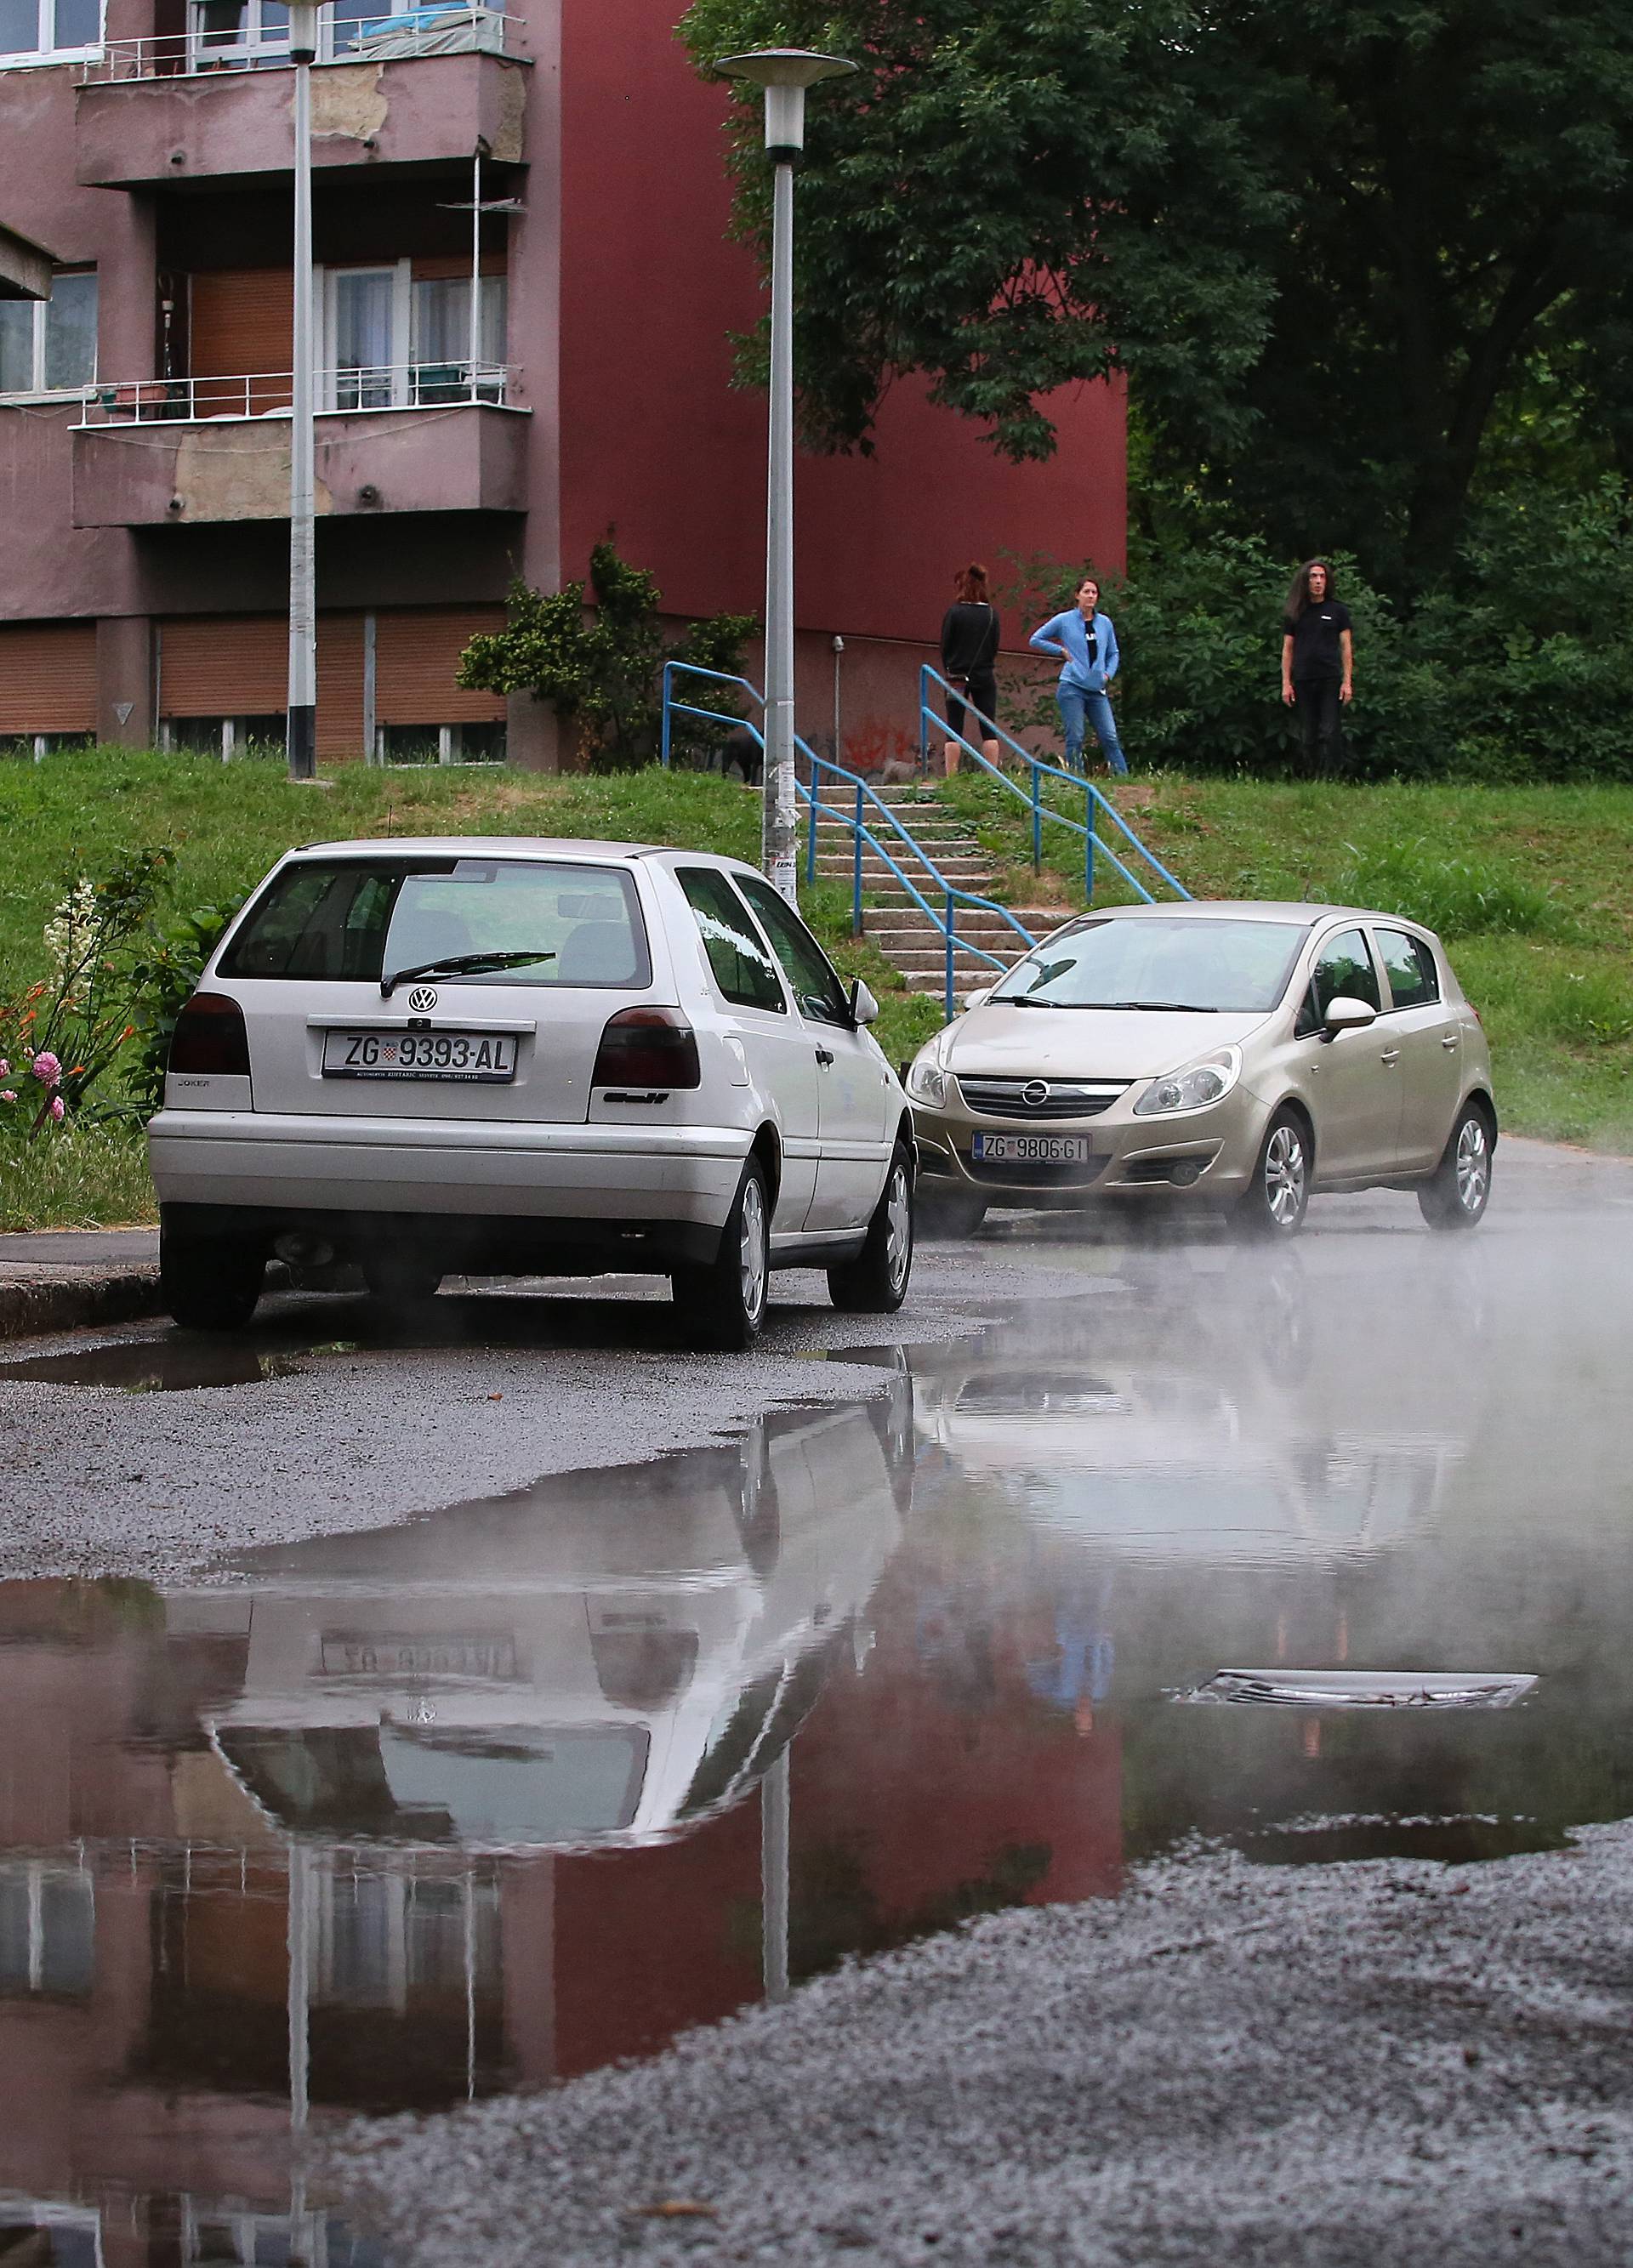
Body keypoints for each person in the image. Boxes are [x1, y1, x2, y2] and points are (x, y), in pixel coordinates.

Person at [1028, 576, 1126, 776]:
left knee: (1109, 736)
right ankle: (1076, 777)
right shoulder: (1064, 620)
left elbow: (1113, 653)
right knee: (1076, 736)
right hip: (1072, 686)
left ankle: (1122, 777)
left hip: (1097, 687)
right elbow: (1036, 639)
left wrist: (1108, 674)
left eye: (1094, 592)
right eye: (1086, 592)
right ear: (1077, 595)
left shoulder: (1104, 623)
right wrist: (1060, 651)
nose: (1090, 596)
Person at [1281, 560, 1352, 776]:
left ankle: (1333, 777)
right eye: (1313, 577)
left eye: (1322, 577)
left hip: (1330, 678)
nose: (1318, 581)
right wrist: (1286, 683)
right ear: (1306, 581)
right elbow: (1287, 649)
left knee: (1329, 731)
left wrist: (1347, 682)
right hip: (1303, 679)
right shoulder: (1295, 613)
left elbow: (1346, 647)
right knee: (1308, 733)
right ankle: (1310, 778)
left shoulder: (1338, 610)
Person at [939, 563, 1002, 777]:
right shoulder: (992, 615)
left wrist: (950, 666)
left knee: (953, 726)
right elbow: (994, 647)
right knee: (988, 727)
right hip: (984, 675)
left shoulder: (955, 613)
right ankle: (992, 776)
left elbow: (945, 645)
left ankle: (952, 778)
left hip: (956, 675)